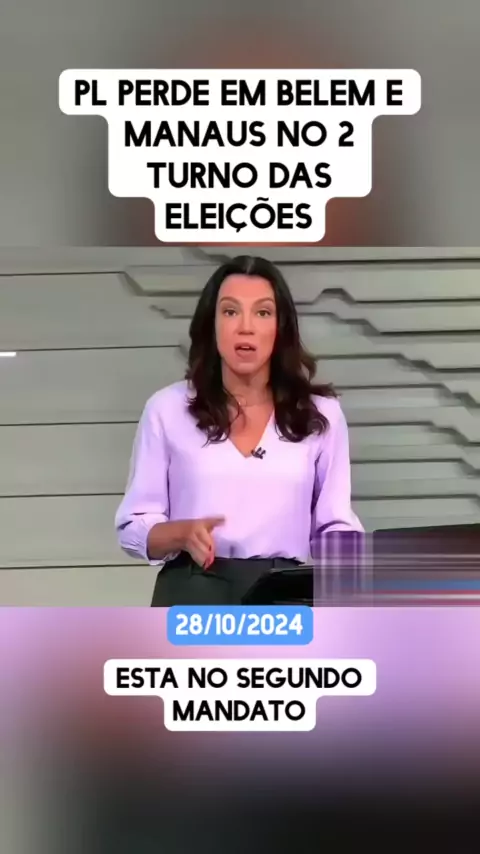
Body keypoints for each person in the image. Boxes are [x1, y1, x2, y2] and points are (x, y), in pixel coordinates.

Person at [115, 255, 363, 606]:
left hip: (282, 596)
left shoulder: (320, 415)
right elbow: (133, 528)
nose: (245, 327)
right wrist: (182, 533)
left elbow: (333, 525)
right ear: (211, 324)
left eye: (262, 312)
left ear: (280, 327)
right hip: (192, 590)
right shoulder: (166, 409)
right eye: (230, 311)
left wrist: (369, 559)